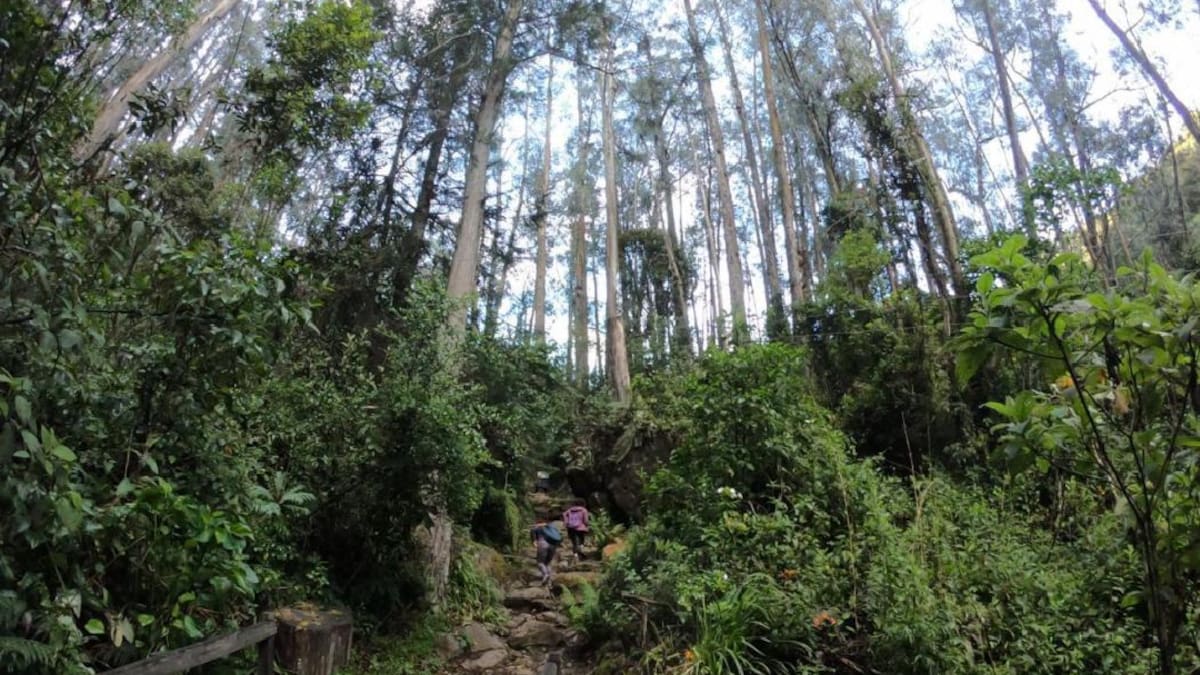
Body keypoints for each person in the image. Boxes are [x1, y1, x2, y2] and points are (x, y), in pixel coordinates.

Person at [530, 519, 561, 586]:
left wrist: (534, 541)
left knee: (540, 562)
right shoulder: (551, 527)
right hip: (553, 546)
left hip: (543, 544)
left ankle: (545, 574)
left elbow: (534, 539)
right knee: (547, 563)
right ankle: (550, 578)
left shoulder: (536, 528)